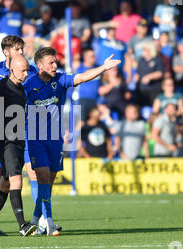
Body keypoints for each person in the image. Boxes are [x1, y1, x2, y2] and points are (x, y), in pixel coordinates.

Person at [24, 47, 120, 235]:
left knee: (49, 181)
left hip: (55, 138)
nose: (55, 65)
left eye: (55, 61)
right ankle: (49, 222)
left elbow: (82, 77)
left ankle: (36, 219)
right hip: (34, 138)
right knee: (41, 177)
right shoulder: (28, 84)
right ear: (40, 65)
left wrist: (103, 68)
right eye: (51, 62)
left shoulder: (60, 79)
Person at [0, 35, 37, 221]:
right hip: (3, 132)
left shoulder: (31, 70)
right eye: (17, 49)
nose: (21, 52)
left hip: (26, 129)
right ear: (6, 51)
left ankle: (41, 220)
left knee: (33, 173)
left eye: (22, 48)